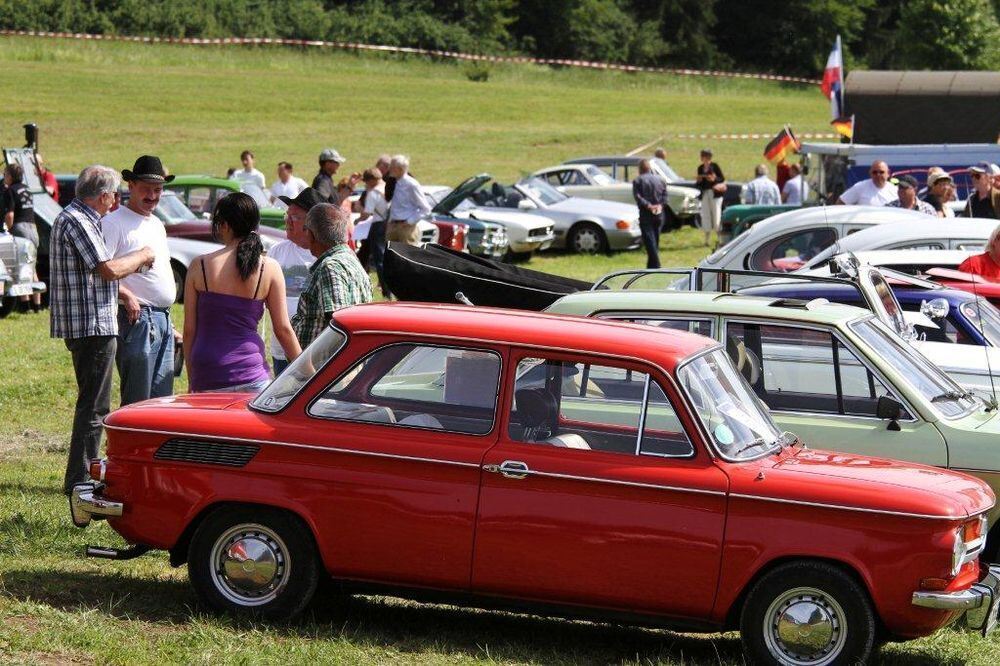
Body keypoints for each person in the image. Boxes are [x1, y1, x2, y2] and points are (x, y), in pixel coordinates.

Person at [50, 165, 155, 494]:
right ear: (102, 195)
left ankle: (81, 476)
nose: (117, 199)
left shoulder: (77, 218)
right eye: (115, 193)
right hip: (91, 326)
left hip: (89, 324)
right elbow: (108, 270)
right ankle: (81, 481)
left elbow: (96, 273)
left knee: (92, 403)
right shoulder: (78, 221)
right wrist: (142, 255)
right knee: (94, 407)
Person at [184, 192, 301, 392]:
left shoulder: (200, 266)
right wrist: (308, 371)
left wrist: (191, 378)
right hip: (251, 374)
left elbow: (189, 331)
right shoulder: (269, 268)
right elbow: (282, 330)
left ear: (225, 225)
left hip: (207, 373)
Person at [102, 155, 177, 405]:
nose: (152, 196)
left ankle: (152, 445)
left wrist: (166, 317)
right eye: (146, 189)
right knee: (138, 399)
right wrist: (125, 294)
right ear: (130, 186)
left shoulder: (156, 223)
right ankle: (132, 445)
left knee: (162, 400)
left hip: (161, 317)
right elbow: (100, 271)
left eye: (157, 190)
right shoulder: (113, 223)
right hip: (136, 318)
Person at [292, 203, 373, 349]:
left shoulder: (331, 267)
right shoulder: (349, 259)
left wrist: (310, 368)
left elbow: (339, 328)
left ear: (310, 235)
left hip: (323, 366)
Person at [270, 188, 325, 374]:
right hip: (281, 352)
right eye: (287, 215)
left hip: (318, 354)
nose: (287, 221)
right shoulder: (276, 252)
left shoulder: (326, 255)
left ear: (310, 222)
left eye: (294, 217)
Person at [3, 163, 42, 311]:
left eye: (5, 174)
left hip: (20, 229)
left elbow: (10, 215)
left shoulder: (10, 191)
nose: (4, 177)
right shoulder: (27, 189)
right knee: (32, 267)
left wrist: (8, 229)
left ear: (11, 176)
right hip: (33, 228)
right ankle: (37, 305)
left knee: (20, 268)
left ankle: (25, 306)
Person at [386, 154, 431, 246]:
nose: (389, 168)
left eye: (392, 166)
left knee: (407, 256)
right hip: (393, 225)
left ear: (400, 169)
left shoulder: (412, 184)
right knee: (390, 256)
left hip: (406, 228)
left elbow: (425, 209)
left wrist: (410, 221)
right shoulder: (394, 181)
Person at [358, 167, 389, 296]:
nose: (366, 185)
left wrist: (358, 220)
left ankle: (386, 290)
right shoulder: (389, 188)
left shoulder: (373, 193)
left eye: (366, 181)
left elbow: (367, 212)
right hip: (390, 224)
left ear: (371, 180)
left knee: (379, 259)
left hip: (378, 225)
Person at [631, 159, 667, 269]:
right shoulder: (660, 180)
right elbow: (665, 196)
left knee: (649, 240)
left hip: (646, 213)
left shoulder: (638, 181)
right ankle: (651, 266)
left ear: (640, 169)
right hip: (659, 213)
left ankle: (656, 264)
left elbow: (638, 197)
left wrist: (649, 206)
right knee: (655, 239)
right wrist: (660, 205)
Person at [694, 148, 725, 246]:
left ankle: (720, 239)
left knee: (716, 214)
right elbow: (699, 184)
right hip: (705, 193)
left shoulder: (715, 166)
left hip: (714, 193)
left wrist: (714, 179)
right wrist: (699, 181)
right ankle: (706, 240)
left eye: (703, 156)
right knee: (706, 215)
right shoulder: (700, 168)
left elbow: (722, 179)